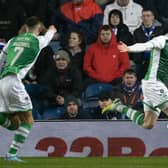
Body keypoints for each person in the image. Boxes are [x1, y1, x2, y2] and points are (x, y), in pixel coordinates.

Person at [0, 16, 57, 162]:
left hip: (2, 80)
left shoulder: (12, 40)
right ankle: (11, 154)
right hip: (14, 81)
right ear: (38, 29)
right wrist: (51, 30)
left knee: (14, 124)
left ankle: (11, 154)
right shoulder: (37, 40)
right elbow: (49, 35)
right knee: (28, 120)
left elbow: (1, 59)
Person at [102, 31, 168, 129]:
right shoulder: (162, 40)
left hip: (158, 86)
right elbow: (146, 45)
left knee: (148, 124)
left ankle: (119, 106)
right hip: (154, 84)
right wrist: (129, 48)